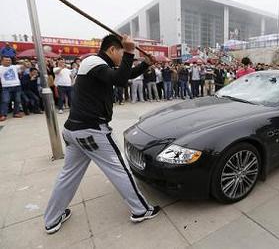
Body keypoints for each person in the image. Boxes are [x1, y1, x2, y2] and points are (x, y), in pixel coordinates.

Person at [44, 35, 159, 235]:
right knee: (120, 169)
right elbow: (121, 80)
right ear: (113, 50)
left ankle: (52, 219)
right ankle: (141, 209)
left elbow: (124, 75)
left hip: (75, 131)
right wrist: (131, 51)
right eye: (121, 52)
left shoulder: (96, 65)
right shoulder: (93, 61)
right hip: (91, 131)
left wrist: (145, 64)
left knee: (68, 176)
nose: (122, 56)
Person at [0, 56, 23, 121]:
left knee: (17, 100)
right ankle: (3, 115)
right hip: (5, 87)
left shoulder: (14, 67)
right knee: (5, 101)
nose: (8, 61)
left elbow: (23, 67)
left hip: (17, 86)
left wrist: (23, 63)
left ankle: (16, 113)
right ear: (2, 61)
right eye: (6, 60)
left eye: (9, 60)